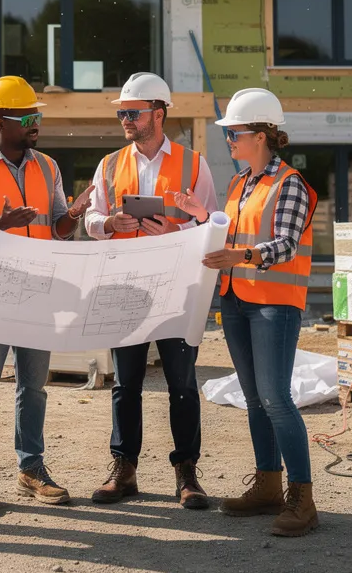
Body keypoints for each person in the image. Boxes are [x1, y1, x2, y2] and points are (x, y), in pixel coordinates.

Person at [173, 87, 320, 538]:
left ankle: (303, 497)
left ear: (259, 135)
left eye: (233, 134)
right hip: (236, 303)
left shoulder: (289, 183)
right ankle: (268, 486)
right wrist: (202, 217)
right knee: (255, 398)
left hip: (275, 306)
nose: (229, 141)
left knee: (276, 397)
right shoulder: (239, 184)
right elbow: (229, 239)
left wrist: (239, 257)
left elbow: (284, 245)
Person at [0, 76, 93, 514]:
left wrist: (73, 213)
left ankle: (32, 467)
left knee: (34, 387)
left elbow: (56, 229)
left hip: (38, 294)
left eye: (38, 115)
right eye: (26, 116)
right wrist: (2, 225)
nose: (36, 122)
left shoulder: (47, 167)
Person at [82, 72, 219, 510]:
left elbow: (211, 224)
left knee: (182, 384)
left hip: (177, 290)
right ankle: (124, 469)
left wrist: (176, 226)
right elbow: (91, 218)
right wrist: (109, 225)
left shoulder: (194, 164)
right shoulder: (109, 164)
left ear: (158, 114)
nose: (125, 119)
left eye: (133, 112)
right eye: (122, 112)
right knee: (126, 383)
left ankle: (187, 473)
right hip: (126, 288)